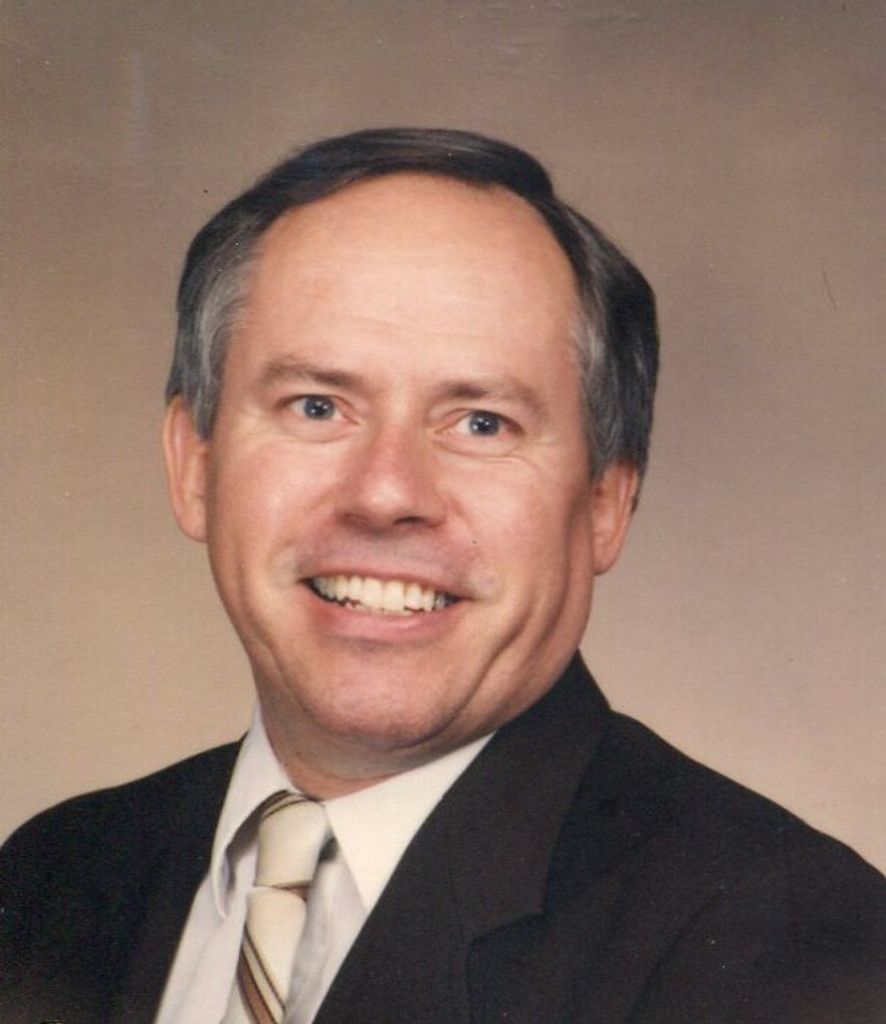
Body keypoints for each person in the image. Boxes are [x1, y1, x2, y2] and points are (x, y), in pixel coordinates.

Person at [1, 128, 883, 1024]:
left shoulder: (791, 944)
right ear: (194, 465)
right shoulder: (46, 884)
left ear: (605, 503)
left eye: (481, 423)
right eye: (317, 406)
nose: (386, 493)